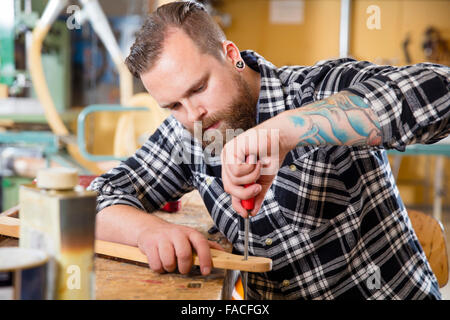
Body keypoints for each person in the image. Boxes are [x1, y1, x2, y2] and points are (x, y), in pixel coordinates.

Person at [89, 1, 449, 299]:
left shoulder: (317, 90)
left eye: (199, 87)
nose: (192, 113)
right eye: (173, 105)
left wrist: (286, 130)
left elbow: (441, 92)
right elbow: (98, 197)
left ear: (231, 56)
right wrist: (146, 231)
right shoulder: (191, 131)